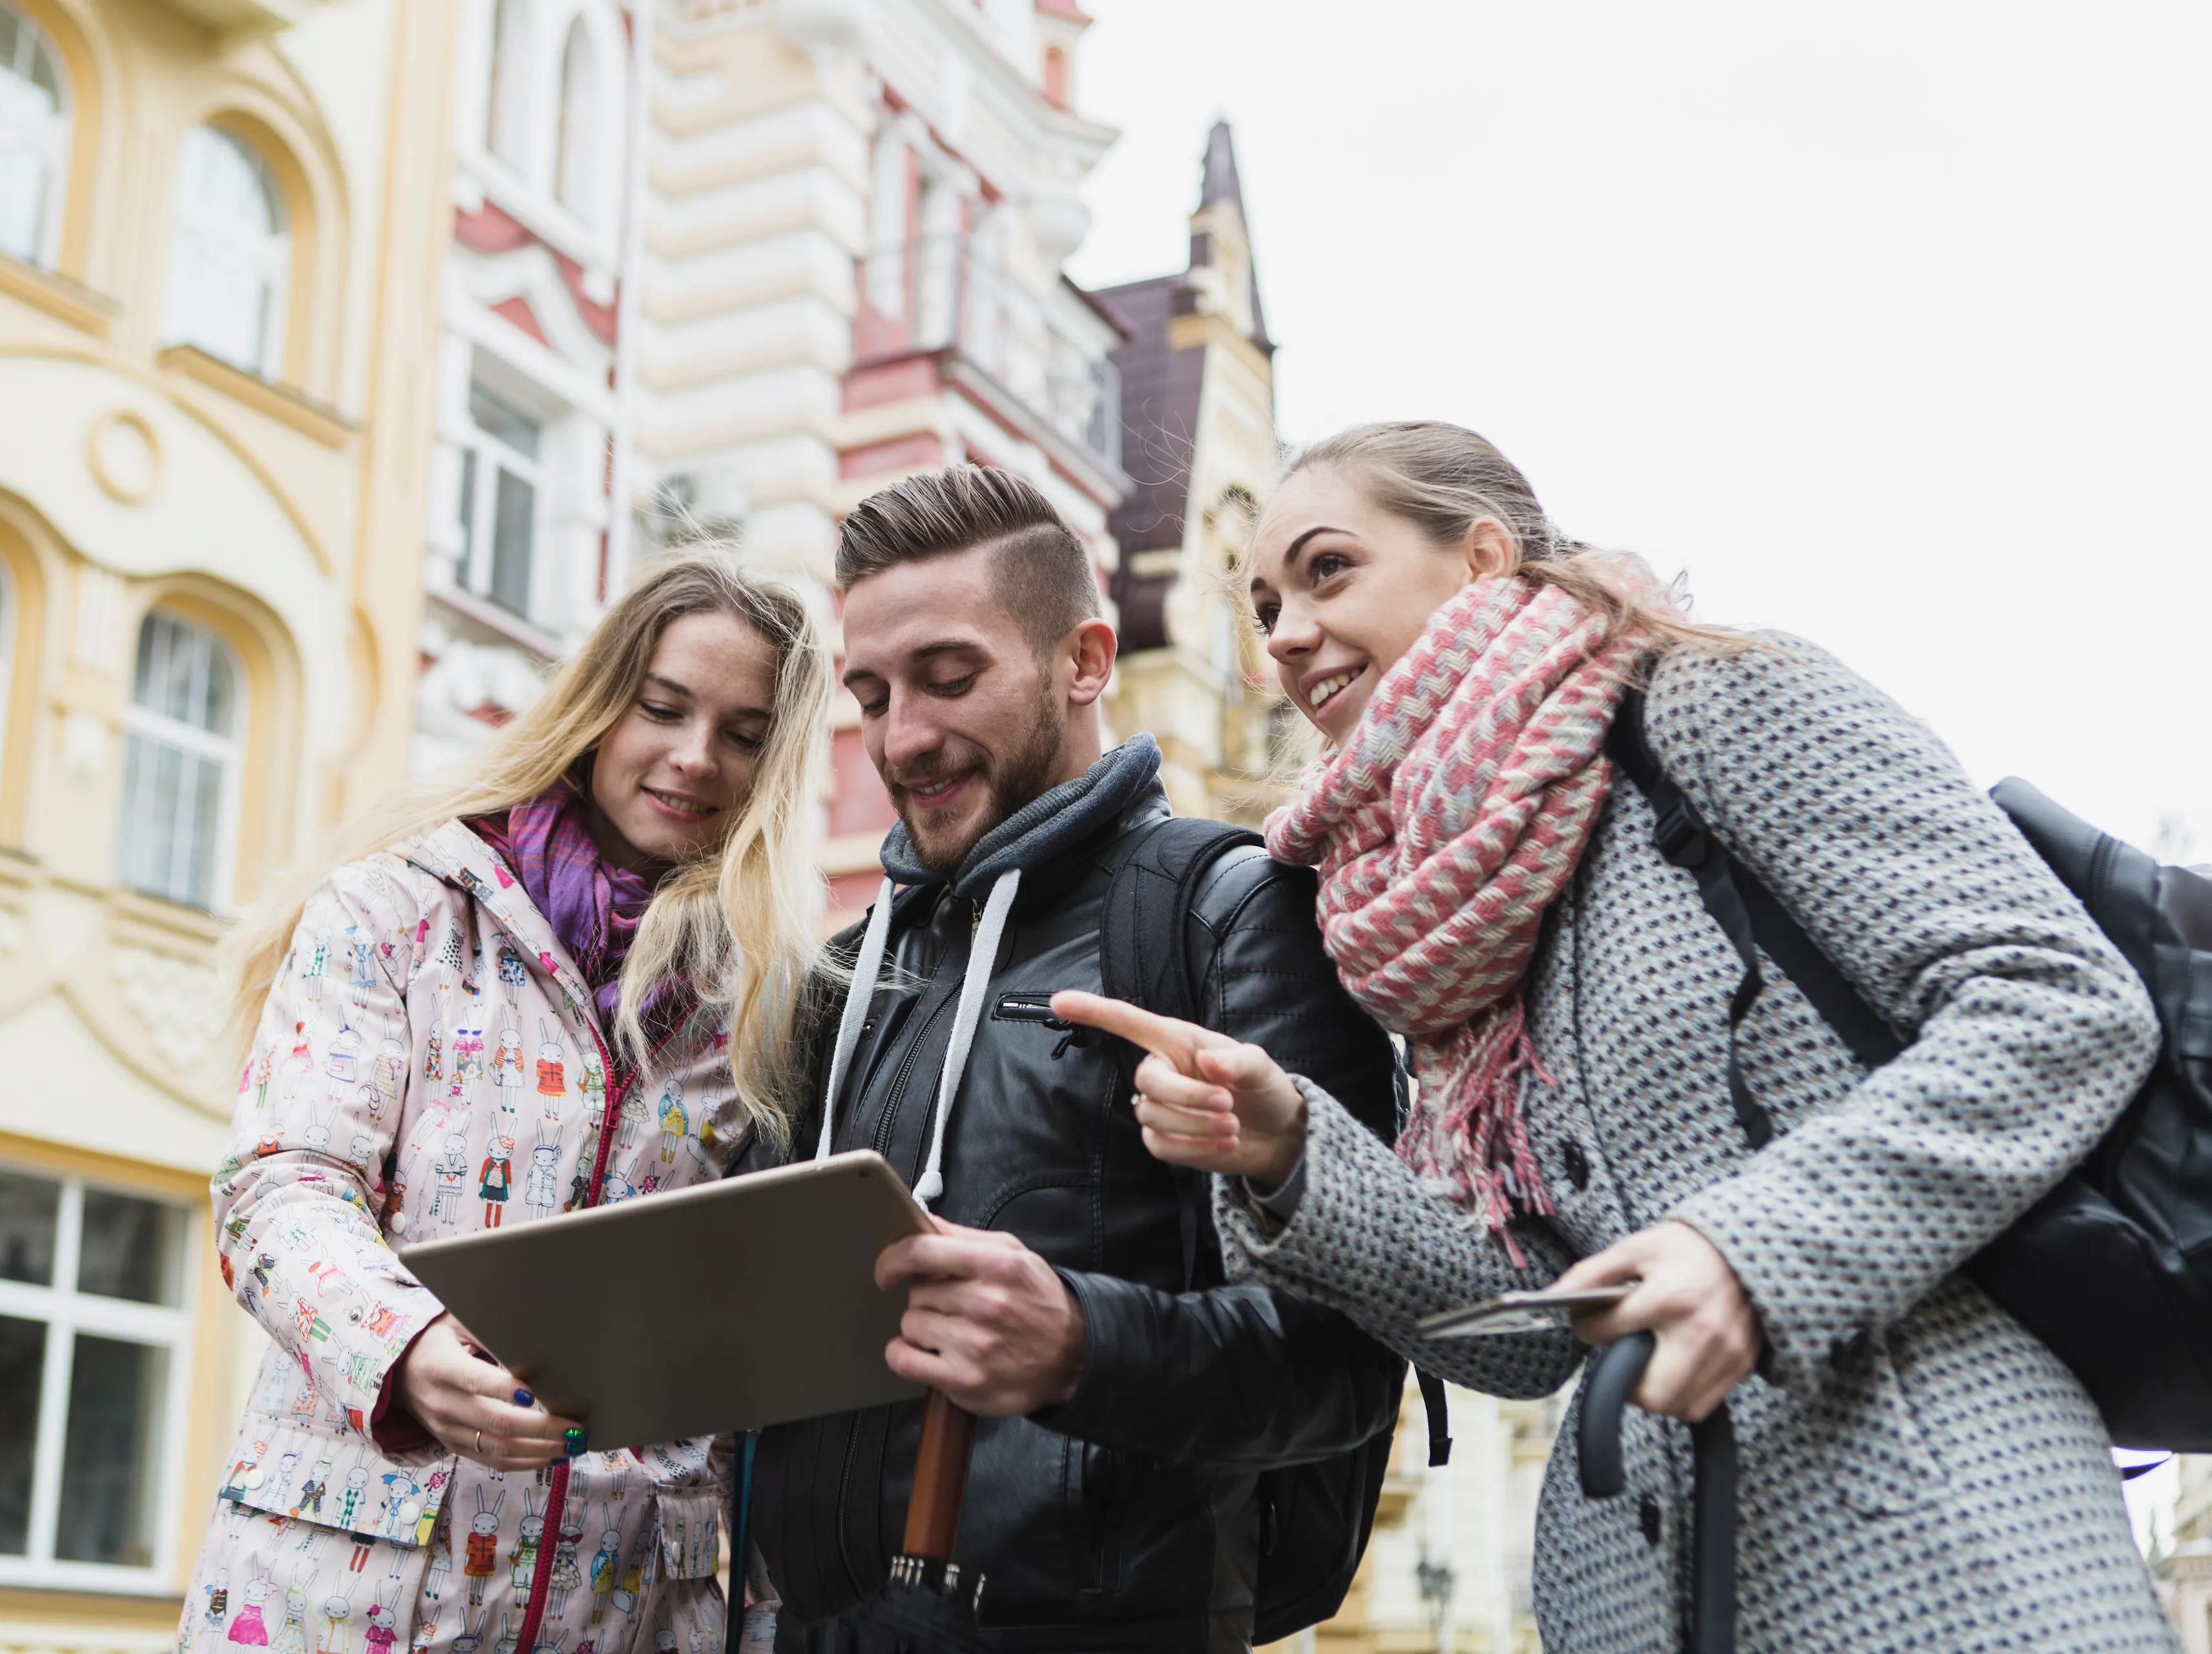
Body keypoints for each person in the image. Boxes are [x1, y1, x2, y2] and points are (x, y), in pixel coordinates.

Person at [1057, 421, 2176, 1653]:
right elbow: (1534, 1331)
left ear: (1481, 558)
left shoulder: (1715, 697)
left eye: (1329, 570)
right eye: (1266, 607)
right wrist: (1286, 1152)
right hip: (1637, 1589)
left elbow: (2056, 998)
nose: (1288, 633)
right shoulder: (1428, 913)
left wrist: (1744, 1249)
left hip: (1933, 1530)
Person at [740, 466, 1407, 1653]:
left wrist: (1081, 1346)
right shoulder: (844, 977)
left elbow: (1344, 1369)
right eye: (874, 692)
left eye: (950, 680)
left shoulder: (1235, 912)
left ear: (1085, 661)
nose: (905, 737)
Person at [180, 555, 833, 1654]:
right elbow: (280, 1187)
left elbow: (758, 1353)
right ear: (596, 702)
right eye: (662, 707)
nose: (694, 756)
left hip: (629, 1608)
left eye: (746, 732)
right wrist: (405, 1347)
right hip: (341, 1600)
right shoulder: (396, 907)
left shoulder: (769, 1004)